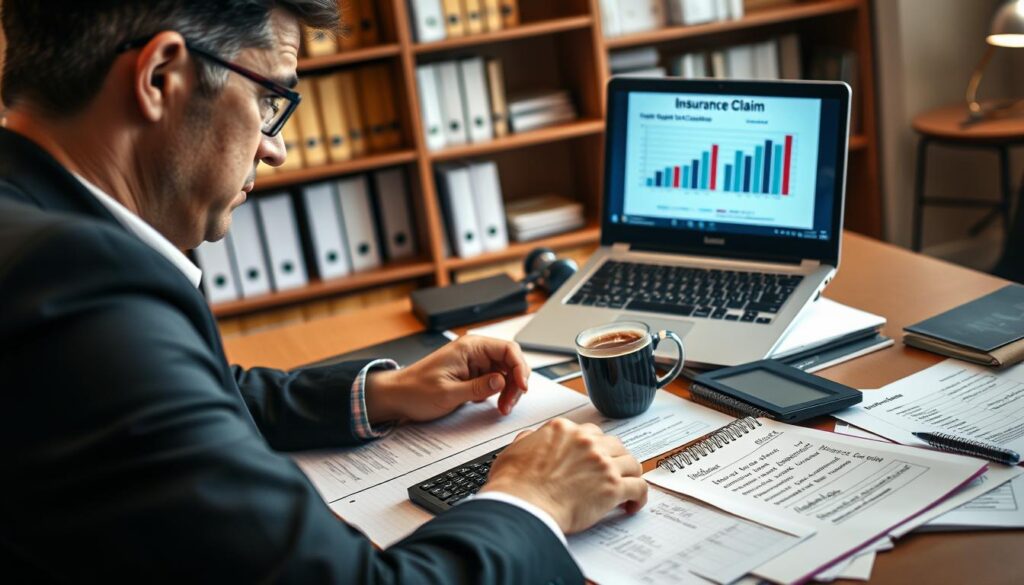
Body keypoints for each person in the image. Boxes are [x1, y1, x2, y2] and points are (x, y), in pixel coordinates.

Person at [0, 1, 648, 582]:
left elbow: (169, 397)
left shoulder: (29, 230)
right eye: (267, 101)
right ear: (161, 76)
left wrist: (379, 393)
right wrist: (533, 497)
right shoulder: (77, 286)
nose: (275, 148)